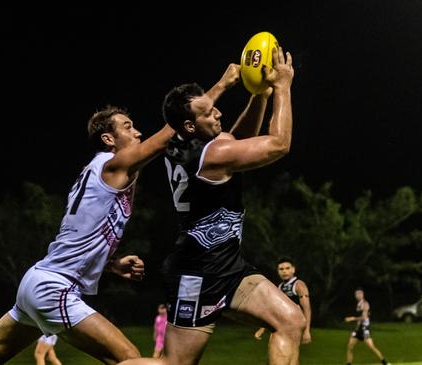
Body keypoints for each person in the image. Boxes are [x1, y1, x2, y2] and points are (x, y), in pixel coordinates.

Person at [0, 70, 235, 365]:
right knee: (128, 358)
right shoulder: (112, 164)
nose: (137, 132)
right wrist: (223, 85)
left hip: (37, 282)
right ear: (109, 138)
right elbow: (168, 134)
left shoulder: (107, 172)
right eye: (128, 127)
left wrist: (112, 265)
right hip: (53, 288)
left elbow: (81, 235)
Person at [120, 45, 303, 365]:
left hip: (229, 267)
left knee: (290, 320)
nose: (217, 112)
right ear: (190, 126)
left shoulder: (183, 144)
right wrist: (282, 89)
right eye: (208, 112)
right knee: (174, 364)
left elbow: (238, 139)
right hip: (196, 275)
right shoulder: (210, 156)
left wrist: (259, 93)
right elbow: (279, 145)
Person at [254, 256, 312, 344]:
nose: (284, 271)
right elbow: (273, 310)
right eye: (281, 269)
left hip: (295, 326)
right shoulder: (280, 287)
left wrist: (307, 331)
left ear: (293, 269)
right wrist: (262, 329)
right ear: (278, 271)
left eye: (287, 268)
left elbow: (307, 309)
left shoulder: (299, 285)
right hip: (281, 326)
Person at [344, 288, 390, 365]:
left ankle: (385, 362)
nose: (358, 295)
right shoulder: (358, 304)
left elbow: (364, 317)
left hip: (365, 329)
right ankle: (348, 364)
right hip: (357, 330)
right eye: (356, 294)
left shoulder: (365, 304)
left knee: (371, 347)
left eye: (360, 294)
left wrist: (352, 318)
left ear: (362, 295)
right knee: (350, 347)